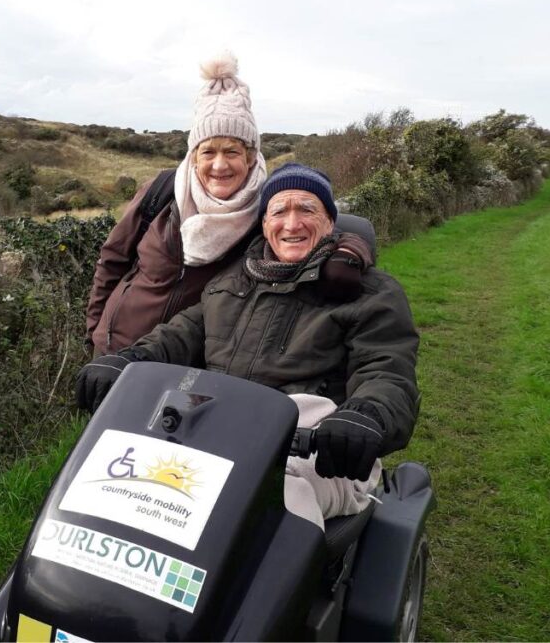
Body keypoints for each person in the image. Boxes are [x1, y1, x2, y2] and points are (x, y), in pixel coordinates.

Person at [76, 162, 420, 530]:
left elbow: (386, 368)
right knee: (120, 482)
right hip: (216, 435)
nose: (291, 224)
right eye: (279, 211)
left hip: (318, 453)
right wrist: (126, 361)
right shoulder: (231, 281)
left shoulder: (371, 293)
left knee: (271, 506)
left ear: (330, 222)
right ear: (264, 223)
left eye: (307, 209)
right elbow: (177, 334)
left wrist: (364, 415)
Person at [85, 54, 372, 356]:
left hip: (188, 363)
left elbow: (321, 228)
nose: (219, 165)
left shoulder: (265, 205)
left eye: (231, 151)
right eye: (208, 152)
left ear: (249, 157)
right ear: (194, 156)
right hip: (113, 351)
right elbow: (112, 260)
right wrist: (94, 332)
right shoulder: (162, 191)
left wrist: (351, 250)